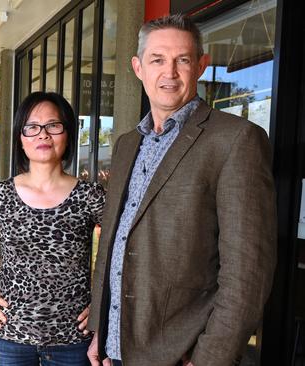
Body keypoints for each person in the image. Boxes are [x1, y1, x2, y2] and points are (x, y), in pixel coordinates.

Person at [87, 14, 277, 366]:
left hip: (183, 352)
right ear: (138, 67)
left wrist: (210, 358)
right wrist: (102, 327)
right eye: (157, 59)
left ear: (202, 66)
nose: (169, 72)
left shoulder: (236, 140)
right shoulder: (128, 144)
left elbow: (248, 272)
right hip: (118, 346)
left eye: (183, 60)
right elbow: (114, 242)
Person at [0, 91, 105, 365]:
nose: (43, 135)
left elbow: (121, 248)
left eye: (53, 125)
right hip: (11, 336)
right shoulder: (1, 193)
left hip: (74, 338)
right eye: (32, 127)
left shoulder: (90, 195)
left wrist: (101, 304)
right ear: (20, 138)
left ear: (68, 134)